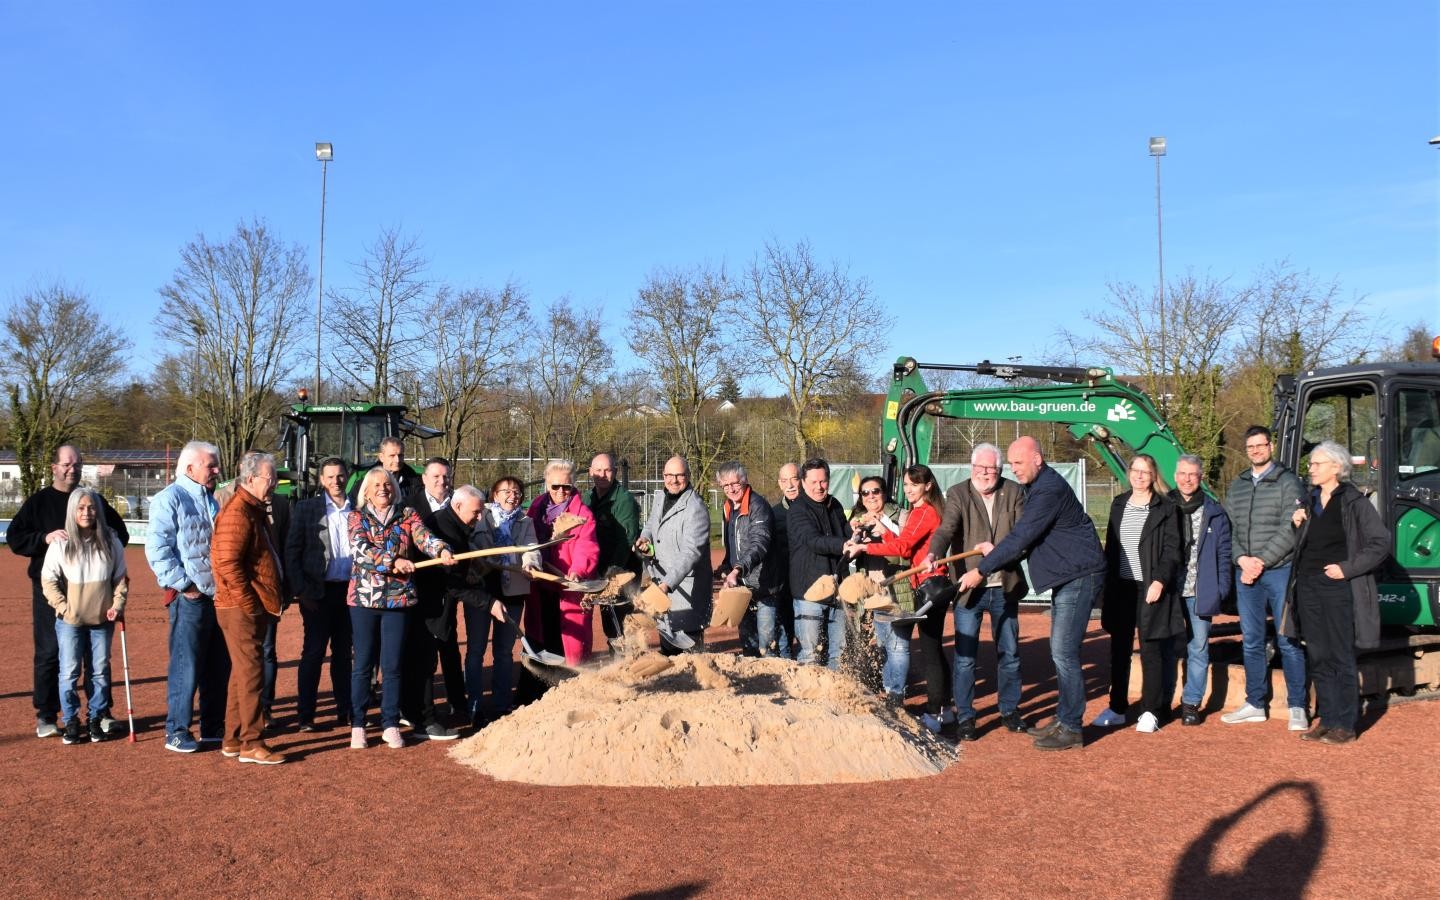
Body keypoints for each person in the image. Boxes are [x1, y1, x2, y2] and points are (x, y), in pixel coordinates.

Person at [958, 437, 1106, 751]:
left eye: (1019, 463)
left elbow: (1023, 535)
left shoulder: (1048, 490)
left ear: (1037, 459)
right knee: (1061, 651)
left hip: (1080, 575)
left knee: (1063, 652)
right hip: (1069, 576)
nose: (1013, 470)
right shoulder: (1039, 487)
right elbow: (1020, 538)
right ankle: (1065, 718)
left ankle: (1072, 727)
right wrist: (994, 550)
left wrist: (981, 569)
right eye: (1011, 464)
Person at [9, 444, 128, 739]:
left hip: (94, 590)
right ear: (54, 467)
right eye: (66, 464)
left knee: (97, 658)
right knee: (51, 653)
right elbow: (15, 538)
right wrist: (43, 538)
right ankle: (47, 714)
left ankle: (101, 713)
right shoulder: (39, 502)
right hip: (51, 591)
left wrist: (103, 536)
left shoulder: (93, 501)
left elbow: (120, 535)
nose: (71, 469)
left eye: (76, 464)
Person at [1282, 441, 1389, 745]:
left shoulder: (1354, 501)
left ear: (1336, 467)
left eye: (1317, 463)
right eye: (1311, 464)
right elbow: (1304, 543)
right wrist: (1296, 525)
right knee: (1318, 654)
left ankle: (1346, 723)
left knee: (1340, 654)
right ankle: (1327, 720)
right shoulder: (1308, 499)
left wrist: (1347, 568)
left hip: (1338, 588)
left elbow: (1380, 543)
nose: (1310, 468)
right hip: (1307, 585)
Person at [924, 442, 1028, 740]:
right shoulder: (958, 493)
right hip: (970, 588)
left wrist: (999, 551)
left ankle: (1010, 711)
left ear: (1000, 470)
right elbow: (946, 529)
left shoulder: (1015, 492)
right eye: (980, 468)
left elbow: (1023, 536)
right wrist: (933, 553)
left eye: (991, 469)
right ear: (972, 468)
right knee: (965, 657)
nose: (985, 473)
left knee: (1009, 653)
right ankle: (967, 716)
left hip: (1004, 586)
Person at [347, 468, 454, 750]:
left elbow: (423, 537)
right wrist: (393, 562)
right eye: (377, 485)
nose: (383, 488)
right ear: (367, 491)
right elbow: (361, 550)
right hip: (364, 601)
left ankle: (390, 723)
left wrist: (441, 549)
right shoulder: (357, 517)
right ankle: (358, 724)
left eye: (388, 484)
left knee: (393, 666)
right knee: (363, 664)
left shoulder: (406, 515)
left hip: (398, 600)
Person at [850, 466, 951, 731]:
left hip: (931, 585)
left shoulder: (923, 512)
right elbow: (904, 545)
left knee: (930, 652)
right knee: (935, 649)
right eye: (906, 484)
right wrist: (881, 527)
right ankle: (945, 709)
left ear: (927, 486)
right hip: (929, 583)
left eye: (913, 485)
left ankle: (934, 714)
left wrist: (865, 546)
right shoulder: (925, 511)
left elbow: (902, 548)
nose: (908, 489)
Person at [1221, 425, 1308, 730]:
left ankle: (1298, 706)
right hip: (1246, 573)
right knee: (1252, 640)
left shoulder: (1288, 483)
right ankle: (1255, 703)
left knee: (1288, 639)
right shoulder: (1239, 485)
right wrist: (1242, 559)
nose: (1256, 450)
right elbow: (1227, 528)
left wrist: (1261, 561)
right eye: (1251, 447)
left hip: (1279, 571)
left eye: (1261, 445)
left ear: (1271, 446)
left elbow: (1292, 527)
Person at [146, 440, 229, 754]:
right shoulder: (169, 499)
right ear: (190, 467)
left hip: (217, 597)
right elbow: (158, 551)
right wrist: (185, 586)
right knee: (187, 665)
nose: (216, 470)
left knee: (217, 666)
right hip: (189, 598)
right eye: (211, 465)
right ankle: (176, 731)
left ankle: (212, 727)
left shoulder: (213, 500)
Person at [1095, 454, 1183, 734]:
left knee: (1151, 650)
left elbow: (1172, 550)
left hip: (1150, 588)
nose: (1140, 476)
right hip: (1121, 586)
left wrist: (1159, 581)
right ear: (1129, 472)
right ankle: (1117, 706)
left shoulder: (1166, 507)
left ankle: (1150, 710)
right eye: (1135, 470)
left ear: (1153, 475)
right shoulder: (1118, 504)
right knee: (1118, 649)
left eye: (1146, 472)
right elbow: (1112, 547)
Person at [210, 451, 287, 765]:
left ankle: (232, 739)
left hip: (245, 606)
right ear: (252, 478)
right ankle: (252, 743)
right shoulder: (239, 512)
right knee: (252, 674)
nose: (275, 484)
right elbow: (227, 563)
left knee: (242, 675)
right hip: (241, 608)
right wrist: (249, 603)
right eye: (271, 478)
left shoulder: (251, 509)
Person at [40, 487, 128, 745]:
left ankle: (96, 718)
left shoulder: (110, 541)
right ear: (72, 511)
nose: (86, 513)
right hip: (69, 622)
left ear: (98, 511)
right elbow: (48, 580)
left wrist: (118, 605)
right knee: (68, 672)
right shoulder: (61, 544)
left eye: (91, 508)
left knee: (99, 671)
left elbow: (120, 579)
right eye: (81, 508)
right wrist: (64, 607)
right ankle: (70, 720)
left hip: (102, 620)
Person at [406, 484, 492, 740]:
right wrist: (489, 602)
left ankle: (437, 710)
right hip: (428, 604)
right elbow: (453, 583)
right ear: (458, 506)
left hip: (439, 603)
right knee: (425, 661)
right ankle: (425, 720)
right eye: (476, 513)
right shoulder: (444, 527)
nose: (479, 519)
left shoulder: (458, 525)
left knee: (440, 653)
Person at [285, 457, 355, 731]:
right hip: (317, 593)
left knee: (343, 654)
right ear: (321, 480)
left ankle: (345, 709)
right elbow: (292, 552)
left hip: (349, 592)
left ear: (346, 476)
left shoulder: (358, 509)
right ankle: (306, 715)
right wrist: (301, 590)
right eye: (330, 477)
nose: (336, 481)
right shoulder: (306, 509)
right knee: (313, 652)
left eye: (340, 476)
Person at [1163, 454, 1232, 726]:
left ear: (1201, 477)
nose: (1187, 479)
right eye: (1182, 474)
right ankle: (1162, 700)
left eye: (1192, 474)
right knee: (1166, 646)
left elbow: (1224, 553)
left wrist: (1221, 587)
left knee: (1199, 647)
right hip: (1167, 589)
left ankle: (1191, 703)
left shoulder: (1214, 511)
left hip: (1199, 590)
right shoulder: (1163, 506)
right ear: (1175, 476)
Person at [468, 476, 541, 723]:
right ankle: (474, 705)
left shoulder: (525, 521)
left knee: (503, 651)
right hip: (482, 590)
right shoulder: (482, 516)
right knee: (476, 650)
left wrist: (530, 563)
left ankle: (501, 704)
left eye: (517, 491)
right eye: (506, 491)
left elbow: (532, 548)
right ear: (495, 494)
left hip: (513, 591)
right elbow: (476, 545)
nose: (513, 495)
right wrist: (492, 559)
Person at [400, 456, 468, 723]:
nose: (442, 481)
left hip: (449, 587)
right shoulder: (409, 507)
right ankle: (416, 707)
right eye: (437, 476)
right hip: (418, 587)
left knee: (449, 645)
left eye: (446, 477)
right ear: (424, 479)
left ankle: (458, 703)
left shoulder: (458, 504)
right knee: (420, 649)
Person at [526, 460, 601, 664]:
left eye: (566, 487)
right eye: (555, 486)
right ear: (547, 484)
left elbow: (587, 546)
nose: (561, 491)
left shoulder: (583, 514)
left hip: (567, 585)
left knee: (569, 641)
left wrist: (578, 570)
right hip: (541, 581)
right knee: (540, 634)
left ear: (573, 485)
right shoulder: (536, 507)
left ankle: (569, 683)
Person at [637, 456, 713, 654]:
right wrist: (645, 538)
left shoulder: (696, 509)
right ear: (663, 476)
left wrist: (666, 584)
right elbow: (651, 524)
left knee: (689, 658)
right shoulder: (661, 497)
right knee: (668, 649)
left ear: (688, 476)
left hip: (685, 592)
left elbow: (691, 552)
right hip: (661, 587)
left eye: (679, 475)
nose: (674, 480)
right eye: (669, 475)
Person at [788, 458, 850, 669]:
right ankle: (809, 700)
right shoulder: (797, 510)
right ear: (803, 483)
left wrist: (859, 535)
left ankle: (837, 699)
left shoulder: (835, 505)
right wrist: (846, 544)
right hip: (809, 592)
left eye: (823, 481)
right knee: (811, 654)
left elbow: (847, 532)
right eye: (813, 482)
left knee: (840, 654)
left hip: (838, 591)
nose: (819, 487)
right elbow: (813, 540)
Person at [849, 476, 908, 698]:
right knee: (882, 644)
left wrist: (883, 527)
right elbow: (851, 554)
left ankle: (896, 694)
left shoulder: (901, 515)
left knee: (899, 645)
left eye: (875, 491)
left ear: (884, 493)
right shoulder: (858, 518)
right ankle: (887, 688)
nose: (871, 496)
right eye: (865, 493)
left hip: (897, 586)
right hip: (872, 589)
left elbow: (905, 550)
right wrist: (855, 531)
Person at [716, 462, 781, 657]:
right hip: (742, 587)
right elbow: (732, 544)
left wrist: (737, 570)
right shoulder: (728, 507)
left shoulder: (758, 506)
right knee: (748, 643)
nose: (731, 489)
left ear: (745, 481)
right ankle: (756, 685)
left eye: (735, 483)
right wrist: (727, 565)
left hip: (765, 587)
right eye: (725, 486)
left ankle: (775, 681)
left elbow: (759, 543)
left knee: (768, 645)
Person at [587, 452, 641, 647]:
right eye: (598, 470)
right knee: (609, 624)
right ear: (590, 472)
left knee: (623, 626)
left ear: (615, 472)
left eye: (608, 470)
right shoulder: (588, 498)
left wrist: (612, 572)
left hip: (621, 573)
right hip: (600, 573)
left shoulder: (624, 500)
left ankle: (630, 669)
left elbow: (626, 540)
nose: (603, 474)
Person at [766, 463, 802, 658]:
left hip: (807, 585)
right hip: (783, 586)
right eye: (785, 480)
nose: (790, 485)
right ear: (779, 484)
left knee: (809, 638)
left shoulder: (813, 508)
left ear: (802, 480)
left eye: (794, 479)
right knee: (784, 636)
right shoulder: (773, 513)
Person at [349, 435, 422, 506]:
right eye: (392, 456)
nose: (397, 460)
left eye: (400, 455)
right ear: (381, 457)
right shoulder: (367, 479)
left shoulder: (414, 480)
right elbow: (352, 502)